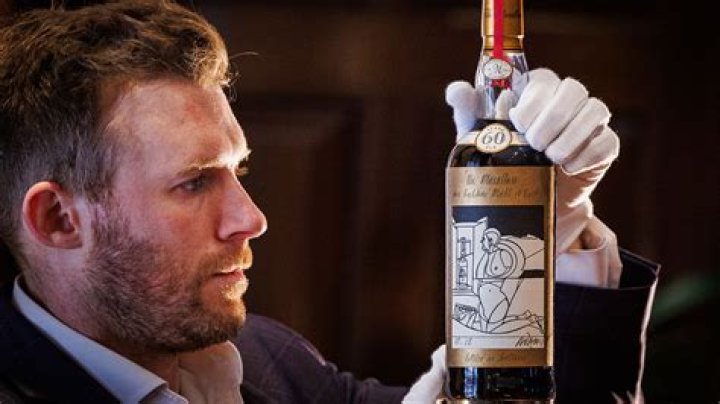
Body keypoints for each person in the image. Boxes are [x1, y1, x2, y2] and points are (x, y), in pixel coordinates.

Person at [0, 1, 657, 403]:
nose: (251, 219)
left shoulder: (263, 359)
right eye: (194, 182)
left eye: (238, 170)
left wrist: (546, 232)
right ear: (58, 219)